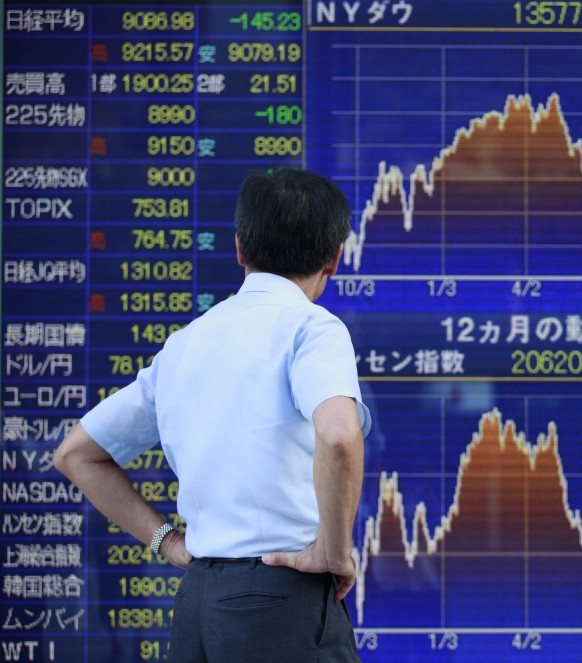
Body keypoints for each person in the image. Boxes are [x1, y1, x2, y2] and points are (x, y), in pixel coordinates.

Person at [54, 167, 371, 662]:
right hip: (282, 597)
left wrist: (168, 544)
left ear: (239, 248)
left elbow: (75, 454)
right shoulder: (312, 329)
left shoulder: (184, 345)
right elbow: (339, 437)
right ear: (335, 257)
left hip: (197, 603)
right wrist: (334, 553)